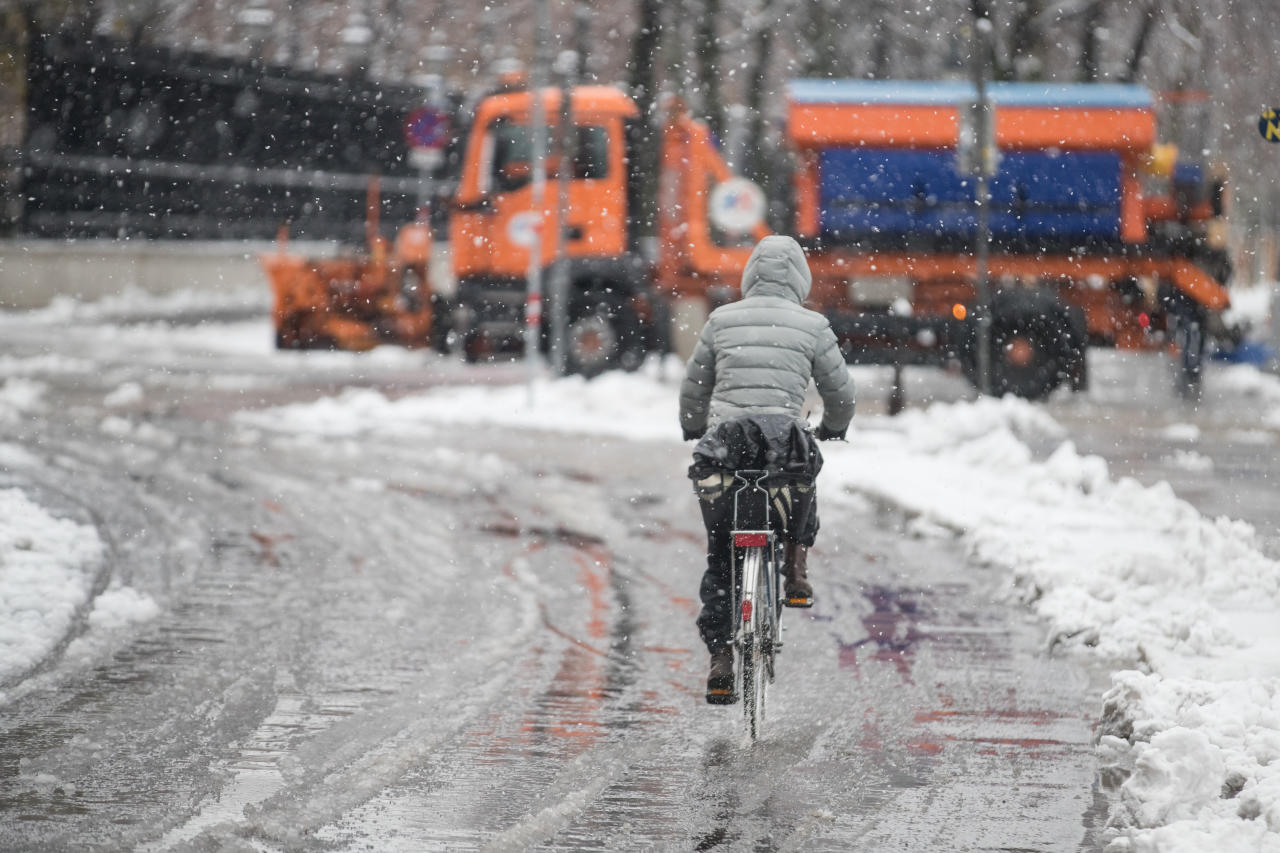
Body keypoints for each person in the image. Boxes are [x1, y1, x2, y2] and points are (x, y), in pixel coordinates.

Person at [678, 235, 855, 704]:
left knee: (721, 556)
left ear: (750, 275)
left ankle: (720, 658)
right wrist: (834, 428)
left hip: (726, 452)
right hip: (783, 449)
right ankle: (795, 570)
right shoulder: (813, 326)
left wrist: (694, 426)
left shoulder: (721, 320)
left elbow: (695, 386)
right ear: (800, 279)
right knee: (802, 477)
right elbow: (841, 393)